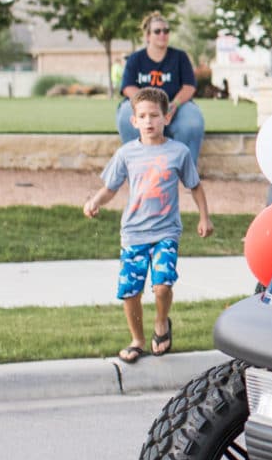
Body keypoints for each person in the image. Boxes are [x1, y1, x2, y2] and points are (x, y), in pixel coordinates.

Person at [84, 86, 213, 363]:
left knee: (162, 285)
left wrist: (204, 216)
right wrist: (95, 201)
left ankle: (161, 323)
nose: (149, 121)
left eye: (154, 115)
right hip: (133, 233)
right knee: (131, 291)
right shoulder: (126, 154)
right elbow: (110, 188)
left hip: (166, 231)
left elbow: (195, 187)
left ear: (166, 118)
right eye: (142, 116)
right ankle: (137, 340)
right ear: (134, 121)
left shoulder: (178, 152)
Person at [117, 13, 205, 171]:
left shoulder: (180, 57)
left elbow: (189, 86)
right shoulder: (136, 58)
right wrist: (149, 106)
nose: (163, 34)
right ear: (148, 35)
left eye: (166, 30)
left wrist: (174, 104)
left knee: (193, 120)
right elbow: (128, 87)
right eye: (157, 31)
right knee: (125, 114)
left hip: (175, 105)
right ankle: (137, 168)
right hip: (144, 107)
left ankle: (185, 172)